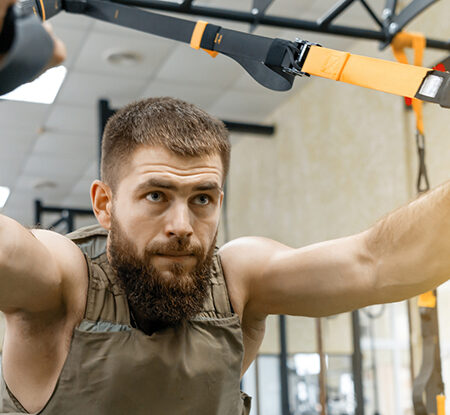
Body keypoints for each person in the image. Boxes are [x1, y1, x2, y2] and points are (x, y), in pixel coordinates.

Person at [0, 96, 449, 414]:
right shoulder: (65, 280)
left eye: (202, 198)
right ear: (105, 204)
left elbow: (374, 264)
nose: (182, 225)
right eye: (156, 195)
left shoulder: (238, 280)